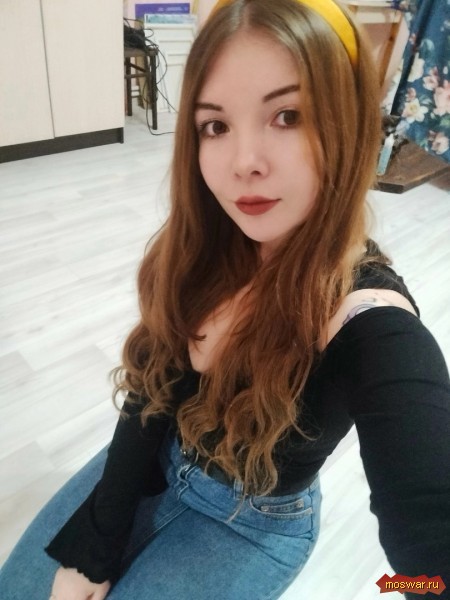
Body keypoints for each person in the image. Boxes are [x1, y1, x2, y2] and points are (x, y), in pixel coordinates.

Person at [1, 0, 449, 598]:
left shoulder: (370, 321)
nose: (244, 164)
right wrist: (97, 540)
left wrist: (416, 583)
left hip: (252, 526)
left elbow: (429, 525)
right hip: (156, 460)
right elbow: (151, 394)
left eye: (288, 115)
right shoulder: (206, 246)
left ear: (348, 123)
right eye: (215, 126)